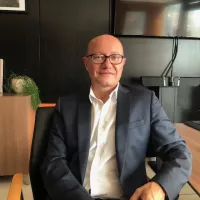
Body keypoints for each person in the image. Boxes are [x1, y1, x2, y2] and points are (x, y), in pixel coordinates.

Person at [40, 34, 192, 200]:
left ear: (123, 63)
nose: (107, 64)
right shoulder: (66, 106)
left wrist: (160, 186)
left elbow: (179, 152)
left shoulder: (145, 101)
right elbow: (53, 162)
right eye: (98, 57)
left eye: (115, 57)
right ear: (86, 63)